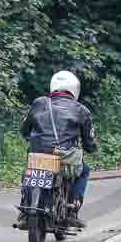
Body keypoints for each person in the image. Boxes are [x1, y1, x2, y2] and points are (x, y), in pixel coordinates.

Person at [17, 71, 98, 228]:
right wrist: (91, 148)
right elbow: (89, 139)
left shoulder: (39, 103)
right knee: (84, 170)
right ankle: (73, 209)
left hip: (38, 153)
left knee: (28, 171)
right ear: (74, 89)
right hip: (65, 156)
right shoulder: (81, 110)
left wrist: (29, 137)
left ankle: (24, 208)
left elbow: (24, 128)